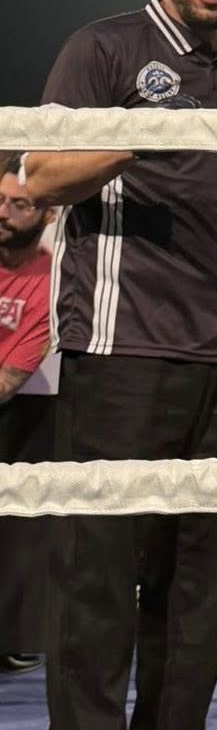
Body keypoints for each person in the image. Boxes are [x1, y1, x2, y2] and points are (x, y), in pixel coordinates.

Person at [23, 0, 217, 730]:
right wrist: (137, 134)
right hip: (120, 349)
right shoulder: (105, 47)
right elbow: (40, 174)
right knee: (97, 579)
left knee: (197, 589)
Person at [0, 156, 56, 673]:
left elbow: (12, 377)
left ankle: (12, 636)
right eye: (0, 201)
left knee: (22, 525)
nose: (4, 212)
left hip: (29, 405)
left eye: (19, 204)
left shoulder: (51, 275)